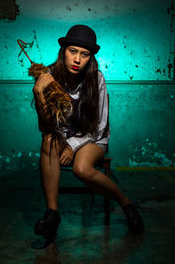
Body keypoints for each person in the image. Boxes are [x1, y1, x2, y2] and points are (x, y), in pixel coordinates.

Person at [32, 25, 144, 243]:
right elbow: (47, 125)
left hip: (93, 137)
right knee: (47, 139)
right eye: (72, 51)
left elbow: (99, 126)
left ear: (90, 58)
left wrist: (71, 146)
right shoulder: (48, 77)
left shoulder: (96, 79)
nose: (77, 59)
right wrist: (38, 92)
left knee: (81, 169)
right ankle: (52, 215)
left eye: (84, 54)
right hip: (60, 136)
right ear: (63, 51)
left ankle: (125, 203)